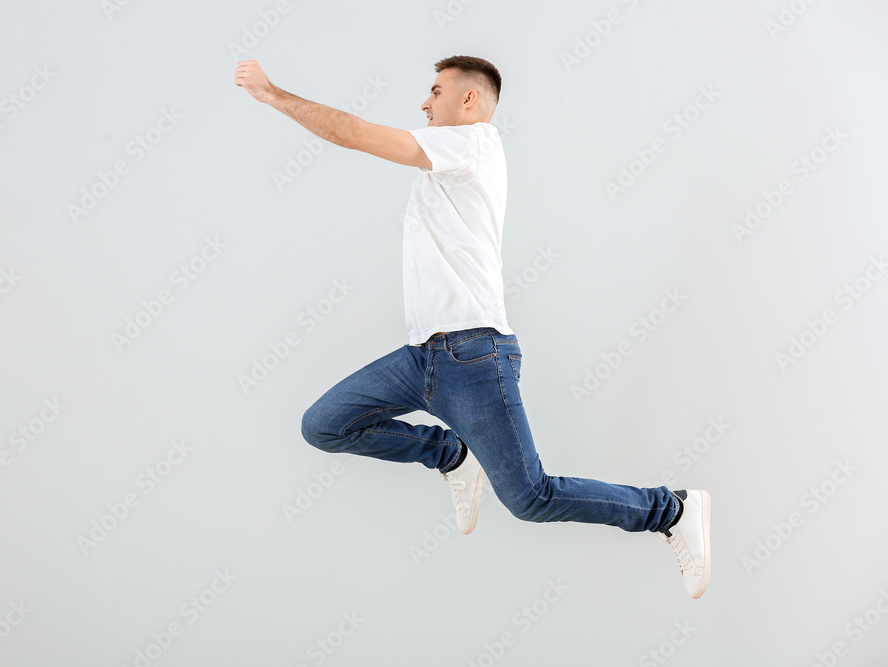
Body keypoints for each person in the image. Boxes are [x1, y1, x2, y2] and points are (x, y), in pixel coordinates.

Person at [234, 55, 711, 598]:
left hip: (474, 359)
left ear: (469, 100)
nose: (424, 102)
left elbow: (356, 135)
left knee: (530, 499)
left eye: (435, 91)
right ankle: (450, 455)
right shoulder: (447, 165)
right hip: (422, 358)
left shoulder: (474, 143)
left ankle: (671, 510)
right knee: (323, 425)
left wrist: (274, 95)